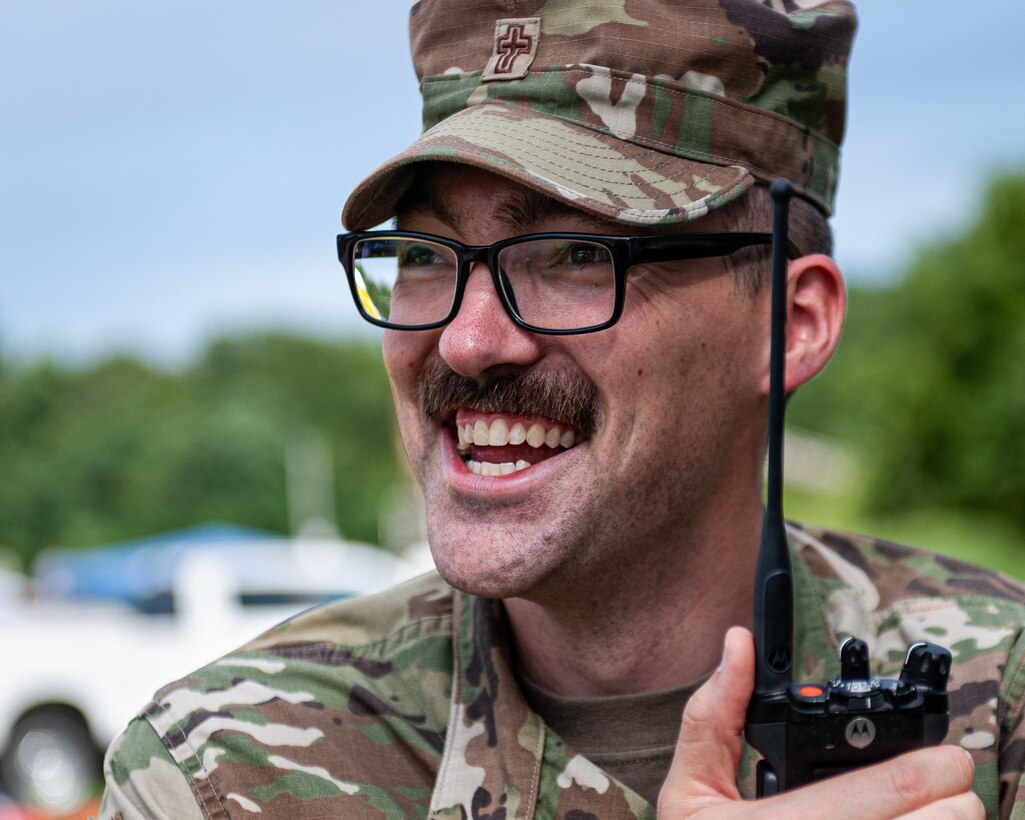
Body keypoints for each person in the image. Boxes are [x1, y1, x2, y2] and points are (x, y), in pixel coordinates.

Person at [100, 1, 1024, 817]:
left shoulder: (1002, 707)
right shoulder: (229, 770)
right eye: (424, 256)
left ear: (789, 323)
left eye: (577, 254)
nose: (468, 342)